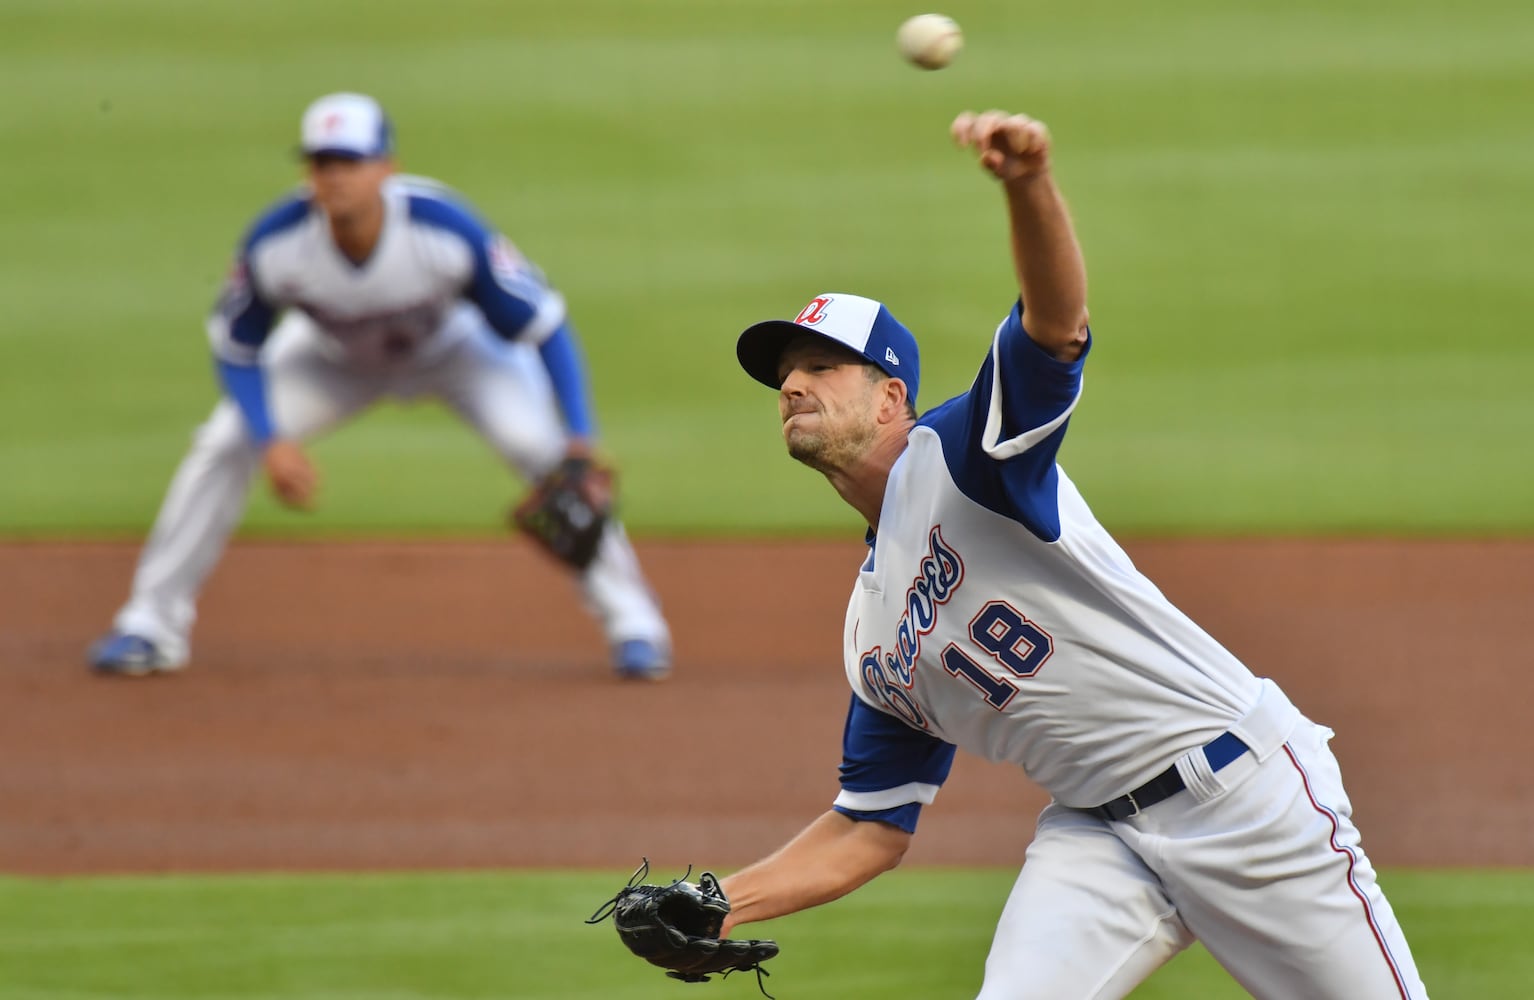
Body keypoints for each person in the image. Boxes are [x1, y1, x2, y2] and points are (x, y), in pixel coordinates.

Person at [723, 110, 1428, 998]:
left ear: (892, 395)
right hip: (1096, 841)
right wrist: (722, 904)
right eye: (785, 373)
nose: (792, 384)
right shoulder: (872, 629)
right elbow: (870, 826)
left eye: (823, 367)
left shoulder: (968, 454)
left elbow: (1054, 327)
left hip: (1242, 798)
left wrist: (1027, 184)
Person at [88, 93, 672, 681]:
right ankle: (150, 624)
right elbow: (237, 349)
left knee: (543, 453)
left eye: (349, 161)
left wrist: (579, 436)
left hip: (457, 351)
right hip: (330, 359)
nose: (335, 176)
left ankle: (635, 625)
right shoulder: (276, 242)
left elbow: (546, 326)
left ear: (386, 166)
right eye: (322, 163)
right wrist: (271, 441)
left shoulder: (443, 229)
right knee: (222, 443)